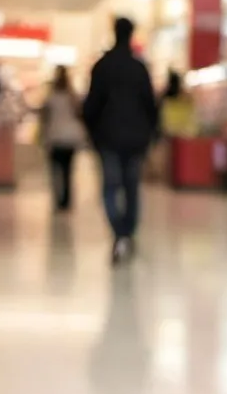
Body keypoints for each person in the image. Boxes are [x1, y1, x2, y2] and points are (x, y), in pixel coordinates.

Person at [83, 17, 158, 264]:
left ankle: (119, 233)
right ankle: (127, 232)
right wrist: (152, 134)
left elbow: (91, 105)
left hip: (109, 137)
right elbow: (150, 105)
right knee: (131, 187)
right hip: (136, 138)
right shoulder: (139, 68)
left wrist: (93, 133)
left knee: (110, 187)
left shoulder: (102, 66)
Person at [39, 66, 84, 211]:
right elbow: (80, 114)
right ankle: (67, 200)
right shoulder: (72, 96)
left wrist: (43, 135)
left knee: (55, 170)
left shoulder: (51, 97)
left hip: (55, 136)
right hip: (69, 137)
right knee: (67, 171)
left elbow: (44, 118)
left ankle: (58, 199)